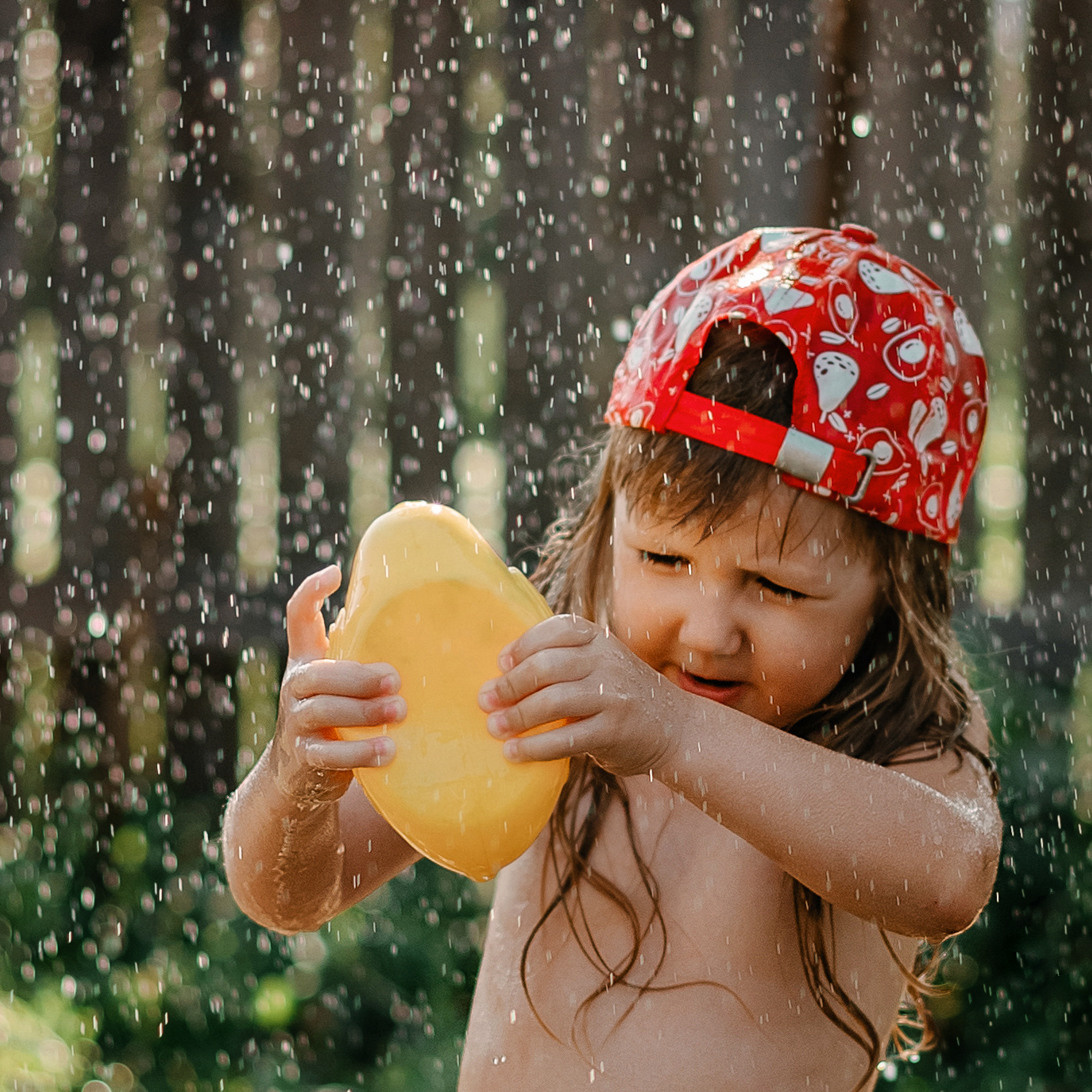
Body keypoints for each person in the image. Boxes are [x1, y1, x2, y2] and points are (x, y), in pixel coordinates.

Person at [223, 224, 1002, 1092]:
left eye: (775, 587)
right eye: (664, 561)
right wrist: (297, 778)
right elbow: (292, 895)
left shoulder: (890, 728)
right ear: (609, 525)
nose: (708, 632)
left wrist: (674, 733)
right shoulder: (541, 675)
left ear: (895, 588)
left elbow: (951, 874)